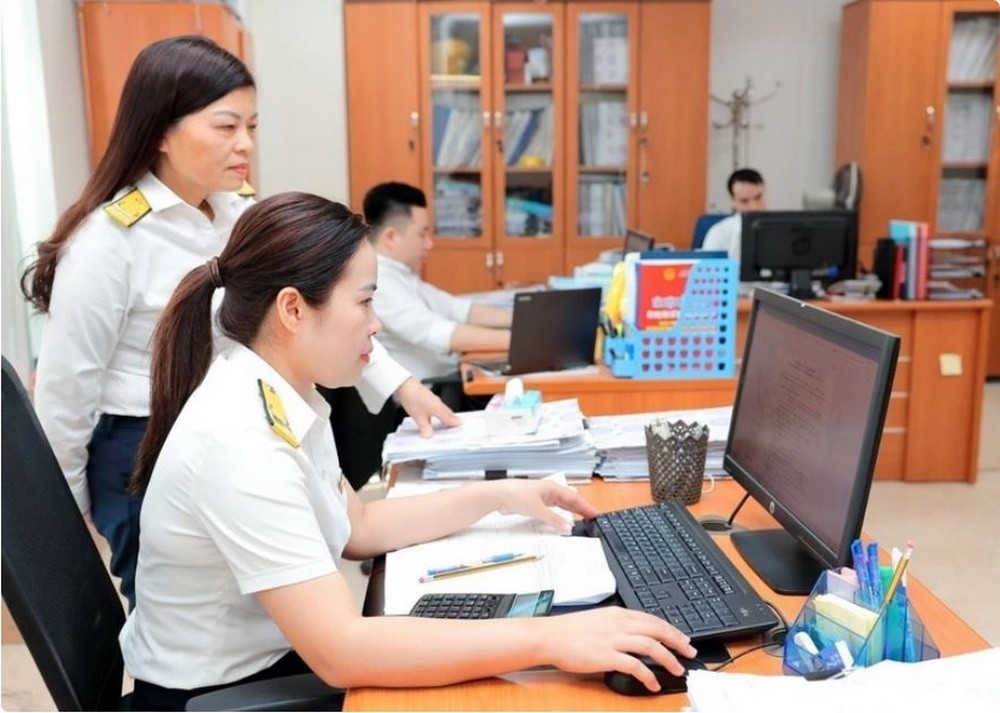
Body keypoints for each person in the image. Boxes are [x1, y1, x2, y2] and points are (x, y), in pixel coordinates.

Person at [121, 192, 697, 710]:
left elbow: (359, 526)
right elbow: (342, 651)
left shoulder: (282, 391)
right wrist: (550, 639)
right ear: (293, 310)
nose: (376, 326)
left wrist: (499, 496)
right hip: (220, 696)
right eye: (365, 302)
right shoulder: (241, 443)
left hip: (278, 661)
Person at [19, 36, 456, 609]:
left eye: (251, 126)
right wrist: (67, 521)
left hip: (241, 430)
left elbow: (326, 306)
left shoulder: (239, 212)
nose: (245, 143)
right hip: (143, 448)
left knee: (270, 600)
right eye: (226, 127)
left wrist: (402, 385)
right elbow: (65, 395)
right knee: (182, 612)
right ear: (160, 131)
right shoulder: (108, 240)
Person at [365, 182, 512, 387]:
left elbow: (458, 309)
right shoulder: (379, 283)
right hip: (435, 390)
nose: (429, 243)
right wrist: (521, 340)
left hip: (449, 378)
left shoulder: (402, 275)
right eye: (422, 234)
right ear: (391, 237)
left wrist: (519, 319)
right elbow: (439, 333)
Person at [701, 167, 767, 261]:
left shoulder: (780, 231)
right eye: (744, 201)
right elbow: (709, 268)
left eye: (758, 198)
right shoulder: (719, 233)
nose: (754, 207)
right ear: (733, 202)